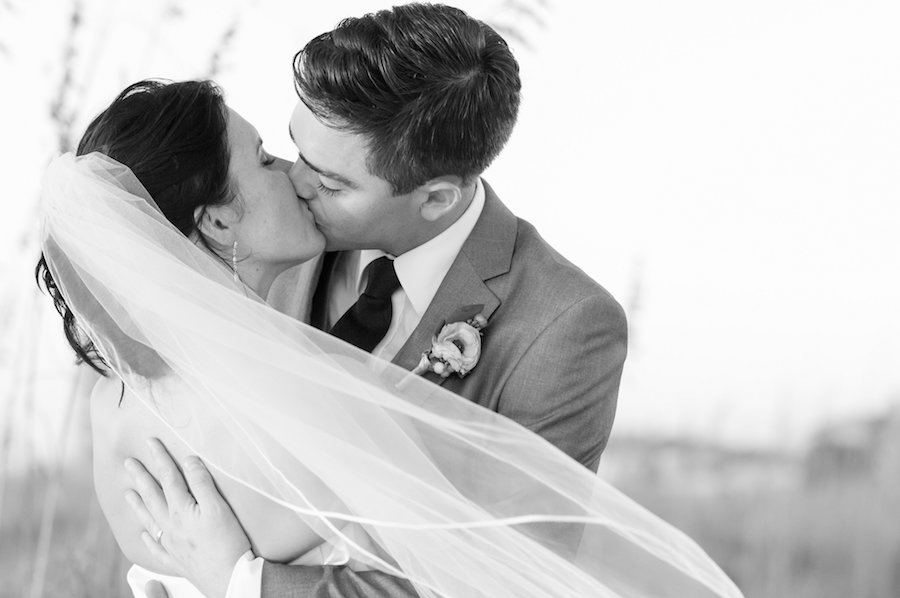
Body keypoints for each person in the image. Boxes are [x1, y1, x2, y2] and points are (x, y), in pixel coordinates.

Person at [38, 8, 743, 598]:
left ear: (437, 195)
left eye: (330, 180)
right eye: (286, 151)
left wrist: (238, 579)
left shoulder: (563, 326)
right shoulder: (246, 274)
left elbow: (508, 579)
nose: (294, 181)